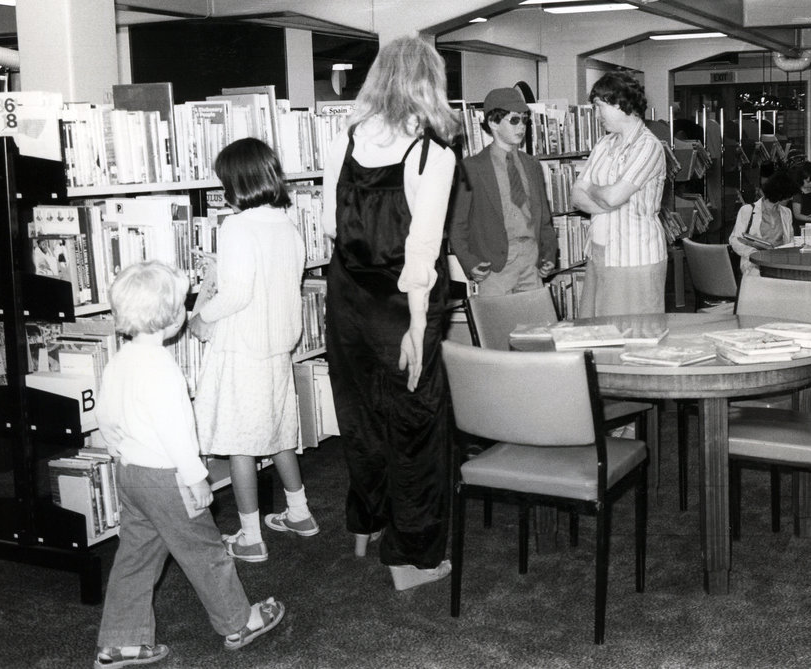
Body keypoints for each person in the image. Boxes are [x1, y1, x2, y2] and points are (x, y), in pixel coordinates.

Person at [93, 261, 284, 669]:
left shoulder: (118, 361)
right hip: (169, 478)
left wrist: (118, 450)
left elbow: (106, 417)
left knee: (135, 555)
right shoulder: (162, 369)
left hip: (130, 473)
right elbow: (176, 432)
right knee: (205, 551)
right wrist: (197, 477)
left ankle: (121, 641)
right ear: (174, 316)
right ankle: (239, 621)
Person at [320, 34, 458, 591]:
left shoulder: (343, 140)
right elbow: (422, 254)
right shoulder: (433, 154)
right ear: (430, 83)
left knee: (361, 419)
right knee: (417, 426)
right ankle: (413, 560)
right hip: (401, 305)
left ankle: (367, 525)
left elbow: (331, 226)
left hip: (347, 298)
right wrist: (417, 327)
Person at [189, 137, 316, 564]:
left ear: (238, 179)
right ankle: (299, 514)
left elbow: (238, 295)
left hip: (244, 347)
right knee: (279, 430)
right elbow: (273, 283)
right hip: (278, 345)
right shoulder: (287, 222)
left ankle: (250, 537)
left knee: (241, 441)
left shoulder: (237, 226)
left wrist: (203, 316)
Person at [570, 71, 667, 316]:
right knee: (598, 332)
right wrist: (604, 197)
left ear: (618, 104)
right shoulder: (604, 144)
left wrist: (592, 189)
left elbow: (611, 196)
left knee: (631, 336)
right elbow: (576, 195)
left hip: (634, 257)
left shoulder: (649, 146)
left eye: (599, 106)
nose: (597, 114)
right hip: (599, 254)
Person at [449, 87, 558, 295]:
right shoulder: (471, 168)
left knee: (536, 326)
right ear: (493, 122)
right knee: (499, 326)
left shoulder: (532, 166)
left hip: (531, 260)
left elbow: (543, 218)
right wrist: (469, 262)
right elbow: (457, 223)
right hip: (495, 266)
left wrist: (549, 254)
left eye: (524, 120)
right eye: (514, 120)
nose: (522, 127)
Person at [729, 169, 798, 275]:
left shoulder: (786, 212)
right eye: (789, 195)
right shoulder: (748, 210)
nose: (791, 198)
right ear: (781, 195)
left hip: (780, 262)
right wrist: (753, 253)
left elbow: (790, 240)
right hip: (755, 263)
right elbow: (734, 240)